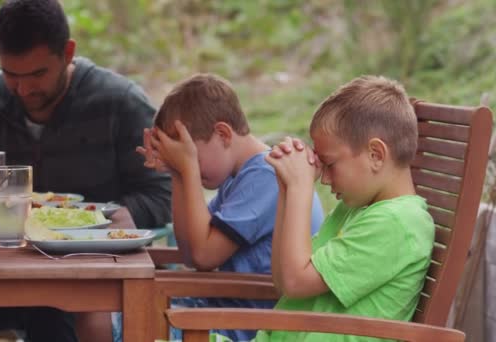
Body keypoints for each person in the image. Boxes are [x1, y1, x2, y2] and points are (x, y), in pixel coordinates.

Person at [0, 0, 171, 341]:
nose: (24, 89)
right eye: (11, 75)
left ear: (68, 52)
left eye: (37, 74)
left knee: (58, 314)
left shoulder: (120, 103)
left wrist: (123, 214)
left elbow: (162, 192)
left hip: (86, 278)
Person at [136, 73, 324, 341]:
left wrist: (187, 168)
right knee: (110, 316)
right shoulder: (239, 178)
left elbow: (203, 256)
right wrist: (178, 172)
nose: (191, 167)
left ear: (223, 134)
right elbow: (190, 251)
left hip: (246, 327)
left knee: (112, 325)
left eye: (193, 157)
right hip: (219, 313)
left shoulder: (266, 175)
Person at [254, 75, 435, 341]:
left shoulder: (398, 223)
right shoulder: (359, 207)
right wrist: (287, 189)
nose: (324, 178)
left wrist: (302, 188)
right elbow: (284, 282)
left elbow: (294, 282)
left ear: (375, 155)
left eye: (330, 164)